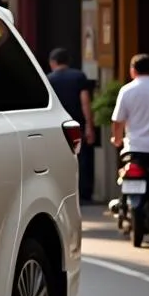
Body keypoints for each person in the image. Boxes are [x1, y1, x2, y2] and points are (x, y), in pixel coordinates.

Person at [48, 48, 95, 202]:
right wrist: (89, 125)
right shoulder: (79, 76)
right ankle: (84, 194)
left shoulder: (49, 79)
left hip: (57, 126)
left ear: (52, 63)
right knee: (82, 159)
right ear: (68, 62)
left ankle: (62, 194)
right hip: (77, 125)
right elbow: (85, 101)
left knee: (58, 160)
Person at [111, 54, 149, 162]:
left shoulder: (126, 90)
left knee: (127, 176)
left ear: (133, 70)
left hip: (134, 149)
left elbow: (118, 120)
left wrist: (117, 140)